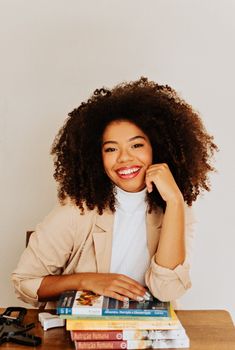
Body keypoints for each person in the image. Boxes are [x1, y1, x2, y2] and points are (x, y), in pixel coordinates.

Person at [12, 77, 217, 308]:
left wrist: (176, 201)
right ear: (97, 157)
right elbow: (25, 282)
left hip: (145, 336)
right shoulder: (76, 211)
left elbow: (167, 289)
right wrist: (88, 281)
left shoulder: (177, 208)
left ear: (157, 148)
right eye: (111, 149)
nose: (124, 158)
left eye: (137, 145)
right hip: (78, 335)